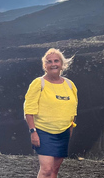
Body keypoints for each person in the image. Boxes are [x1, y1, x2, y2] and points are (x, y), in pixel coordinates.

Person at [23, 48, 78, 178]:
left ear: (62, 64)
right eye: (49, 61)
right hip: (43, 132)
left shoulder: (70, 85)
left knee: (54, 170)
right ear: (45, 65)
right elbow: (29, 110)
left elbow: (73, 108)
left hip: (63, 132)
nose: (53, 64)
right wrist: (33, 132)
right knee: (46, 169)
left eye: (56, 61)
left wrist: (70, 128)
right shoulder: (38, 83)